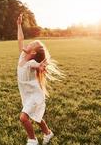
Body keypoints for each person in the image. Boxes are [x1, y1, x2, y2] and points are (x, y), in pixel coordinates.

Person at [16, 14, 63, 145]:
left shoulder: (31, 64)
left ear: (33, 53)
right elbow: (20, 40)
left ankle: (32, 140)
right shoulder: (22, 55)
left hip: (35, 95)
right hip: (28, 94)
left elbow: (37, 65)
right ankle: (48, 133)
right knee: (36, 117)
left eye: (31, 44)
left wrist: (41, 67)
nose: (28, 43)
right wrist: (19, 25)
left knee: (24, 118)